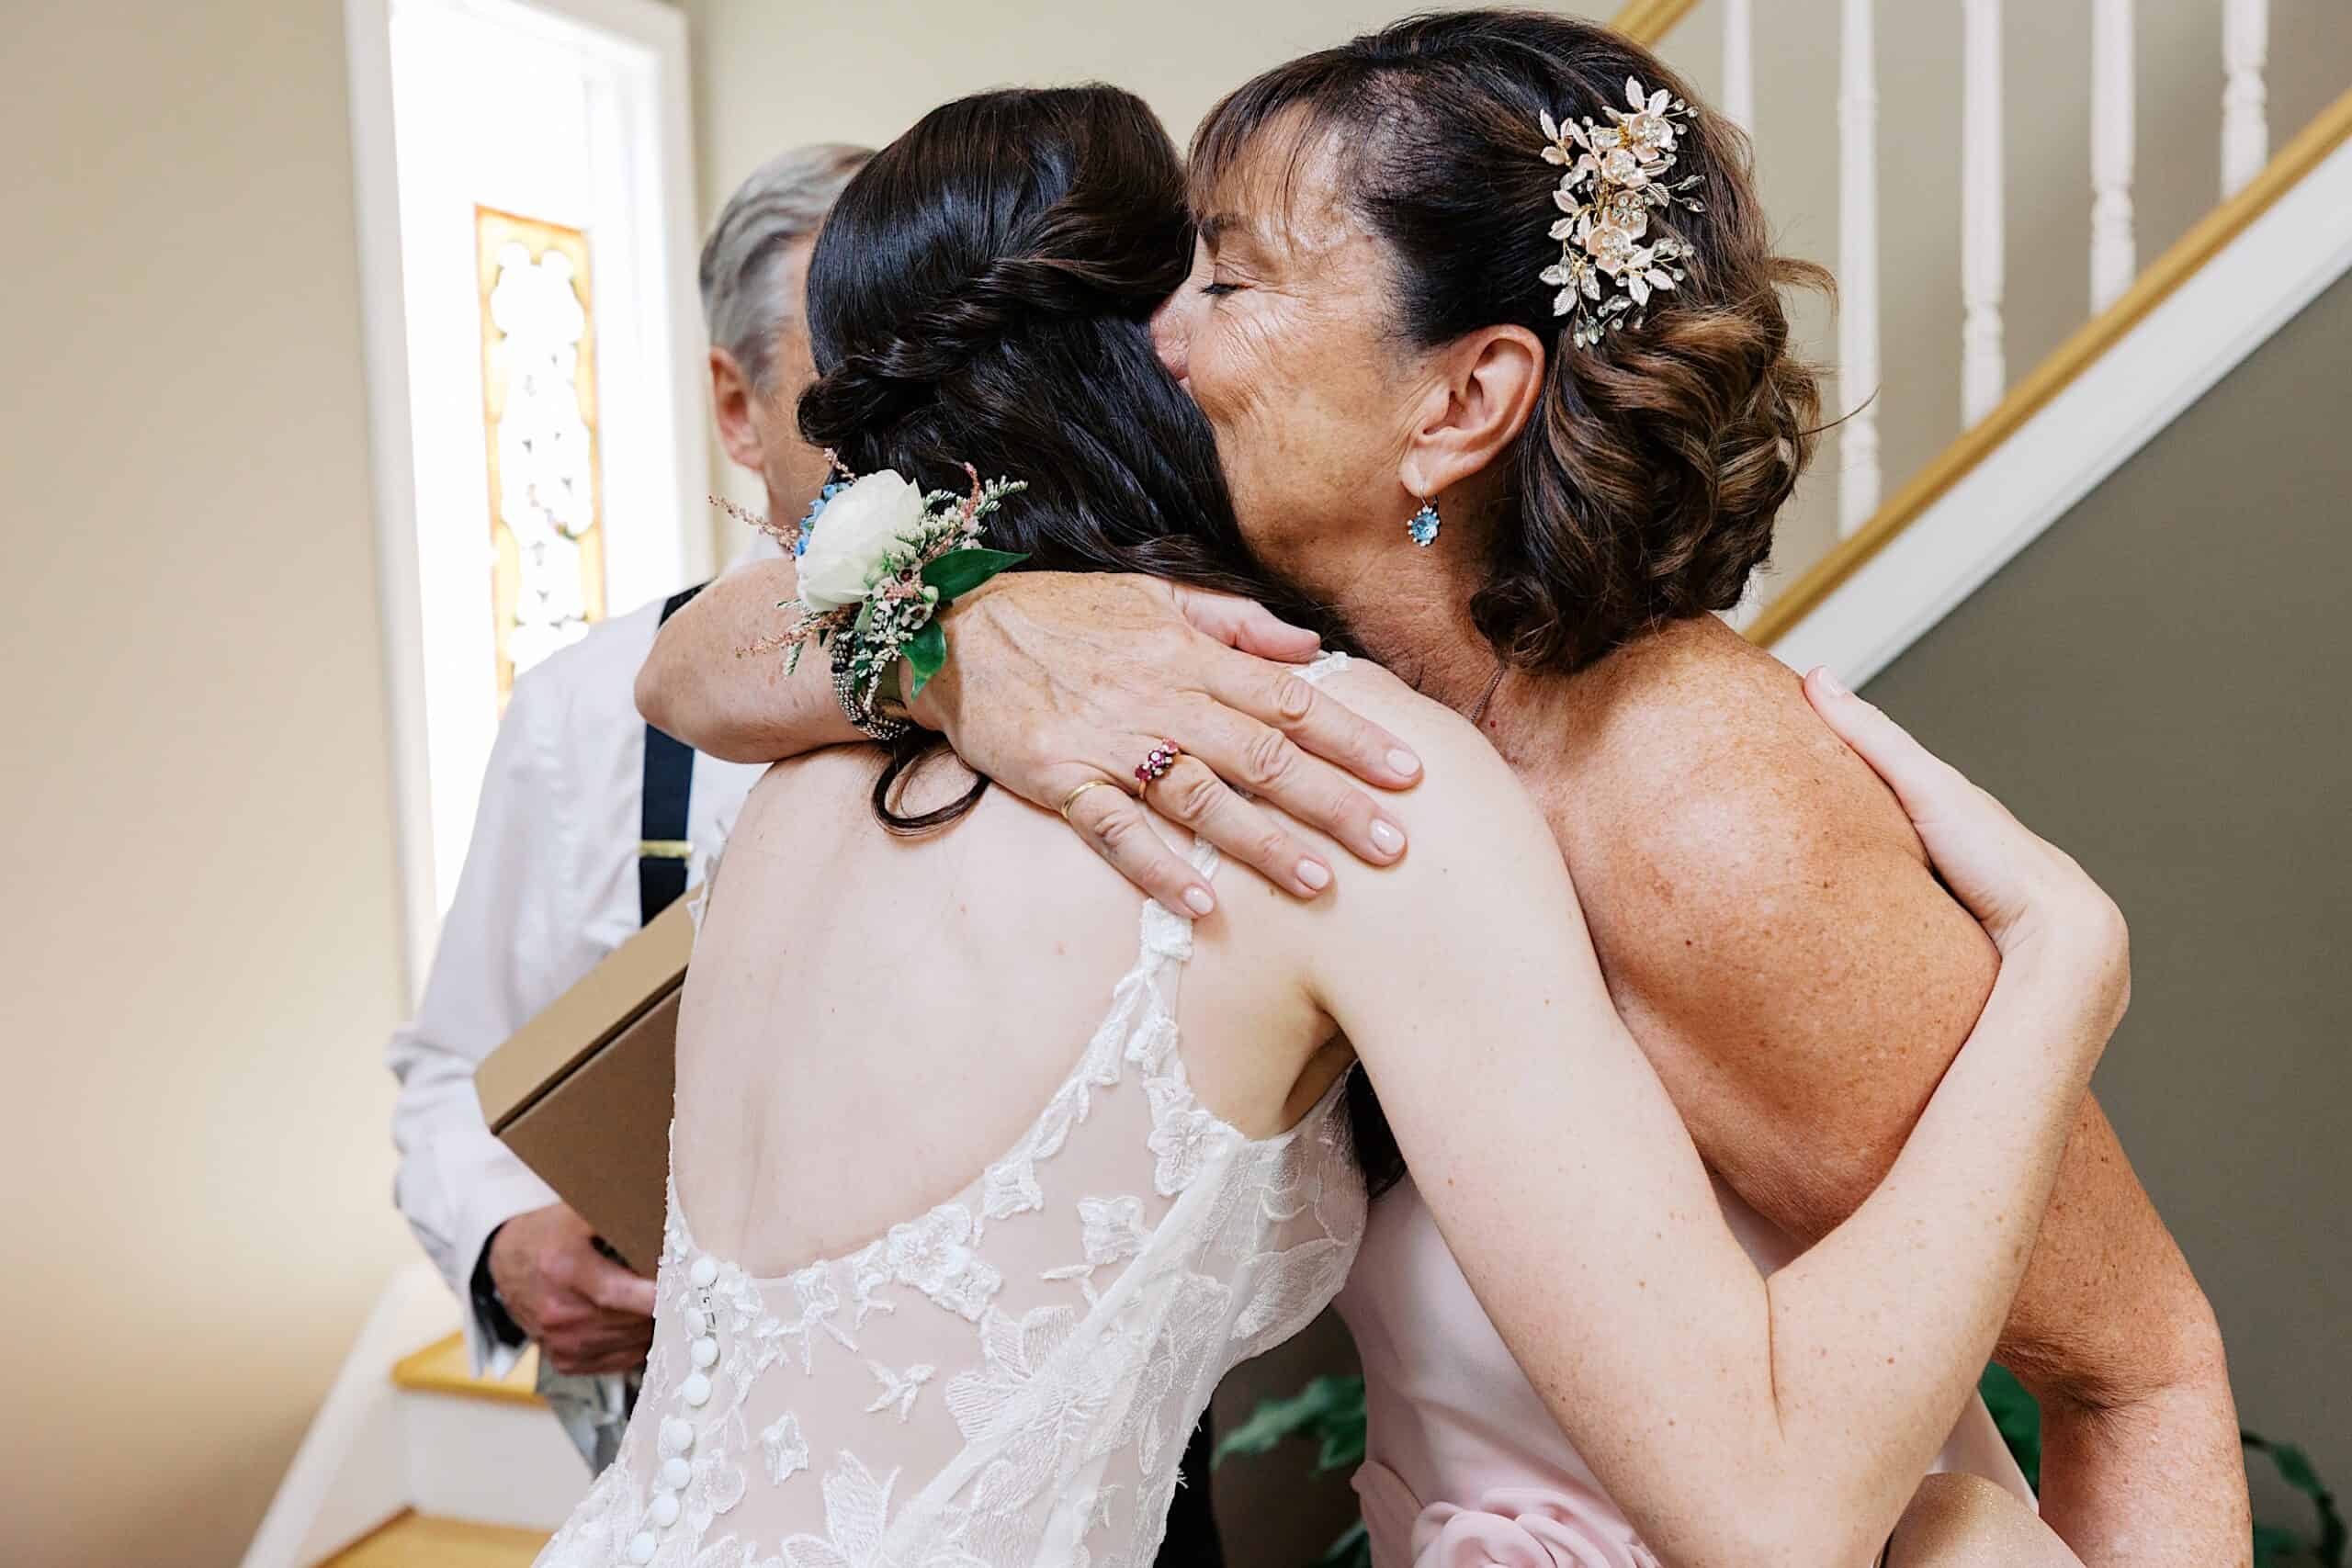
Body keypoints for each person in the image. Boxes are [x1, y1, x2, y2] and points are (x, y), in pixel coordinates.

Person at [637, 17, 2247, 1568]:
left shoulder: (1704, 815)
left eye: (1227, 279)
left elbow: (2140, 1366)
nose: (1156, 337)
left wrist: (2064, 970)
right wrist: (966, 637)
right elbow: (689, 667)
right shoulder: (1261, 690)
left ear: (1462, 403)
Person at [386, 141, 871, 1466]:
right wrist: (504, 1237)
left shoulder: (1107, 672)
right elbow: (451, 1071)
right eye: (857, 391)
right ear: (737, 403)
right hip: (698, 1450)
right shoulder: (583, 717)